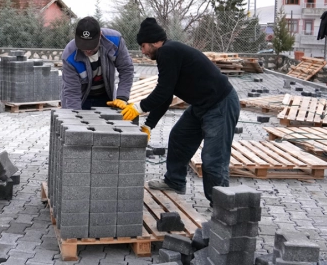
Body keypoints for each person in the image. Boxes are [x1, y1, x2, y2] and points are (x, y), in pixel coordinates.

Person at [120, 17, 240, 205]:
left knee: (213, 159)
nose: (142, 51)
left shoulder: (167, 51)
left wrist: (138, 108)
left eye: (143, 46)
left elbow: (163, 91)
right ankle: (175, 181)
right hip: (202, 105)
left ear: (154, 42)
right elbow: (166, 95)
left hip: (220, 104)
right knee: (179, 137)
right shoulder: (167, 53)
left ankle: (221, 206)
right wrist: (149, 125)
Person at [61, 16, 134, 110]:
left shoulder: (115, 42)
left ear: (100, 35)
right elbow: (72, 92)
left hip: (105, 95)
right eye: (83, 45)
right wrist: (74, 118)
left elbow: (126, 69)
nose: (87, 50)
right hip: (81, 97)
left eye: (91, 45)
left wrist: (122, 97)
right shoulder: (69, 55)